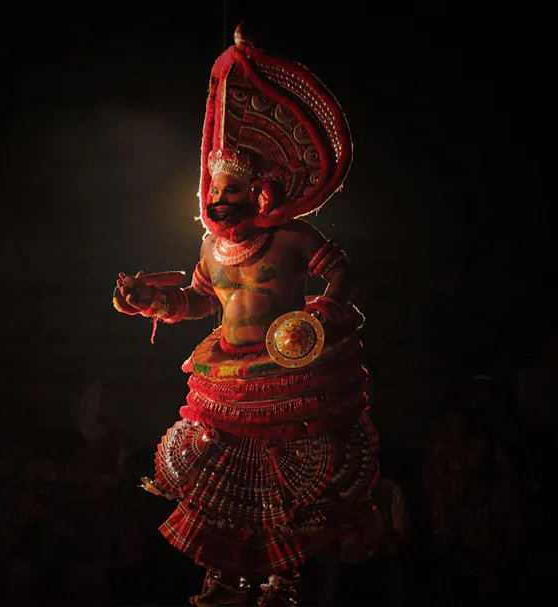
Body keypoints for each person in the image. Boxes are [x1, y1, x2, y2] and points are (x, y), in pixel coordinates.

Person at [113, 24, 381, 606]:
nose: (219, 199)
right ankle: (227, 576)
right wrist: (149, 302)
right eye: (215, 189)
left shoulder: (289, 238)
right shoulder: (212, 247)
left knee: (288, 479)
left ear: (259, 192)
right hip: (230, 376)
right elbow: (203, 300)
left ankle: (285, 578)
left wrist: (325, 315)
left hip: (288, 369)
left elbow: (342, 271)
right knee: (225, 483)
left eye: (232, 188)